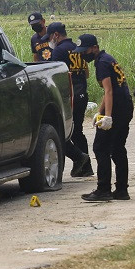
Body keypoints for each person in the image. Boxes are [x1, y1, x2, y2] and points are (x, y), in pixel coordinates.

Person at [75, 34, 133, 201]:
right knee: (117, 148)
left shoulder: (101, 63)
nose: (83, 54)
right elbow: (110, 90)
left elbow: (109, 91)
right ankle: (122, 190)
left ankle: (103, 189)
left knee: (100, 148)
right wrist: (100, 112)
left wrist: (107, 116)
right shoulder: (107, 59)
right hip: (124, 105)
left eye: (85, 50)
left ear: (94, 47)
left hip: (117, 108)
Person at [47, 21, 94, 178]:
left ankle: (79, 160)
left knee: (61, 132)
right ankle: (86, 167)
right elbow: (86, 73)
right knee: (78, 131)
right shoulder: (77, 47)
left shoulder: (59, 52)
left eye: (50, 37)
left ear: (56, 35)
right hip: (82, 94)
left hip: (70, 97)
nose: (50, 41)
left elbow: (56, 77)